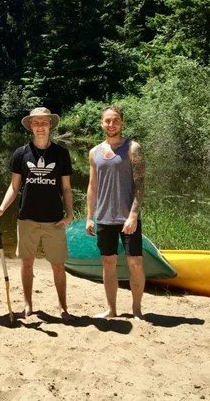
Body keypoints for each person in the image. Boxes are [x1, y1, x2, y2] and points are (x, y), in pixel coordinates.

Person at [0, 107, 74, 320]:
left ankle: (63, 308)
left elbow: (66, 188)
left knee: (58, 265)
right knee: (27, 263)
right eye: (36, 123)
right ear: (31, 127)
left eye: (44, 122)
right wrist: (1, 208)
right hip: (26, 218)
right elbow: (14, 187)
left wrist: (70, 214)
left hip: (54, 219)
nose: (40, 126)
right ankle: (28, 305)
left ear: (50, 125)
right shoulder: (21, 153)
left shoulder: (61, 154)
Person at [86, 105, 146, 320]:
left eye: (115, 121)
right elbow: (92, 187)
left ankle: (137, 310)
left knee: (135, 263)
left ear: (122, 123)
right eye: (107, 121)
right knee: (108, 263)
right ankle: (111, 310)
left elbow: (141, 185)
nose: (111, 125)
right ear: (102, 123)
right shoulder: (94, 152)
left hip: (127, 217)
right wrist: (89, 217)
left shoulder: (132, 148)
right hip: (103, 217)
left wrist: (133, 215)